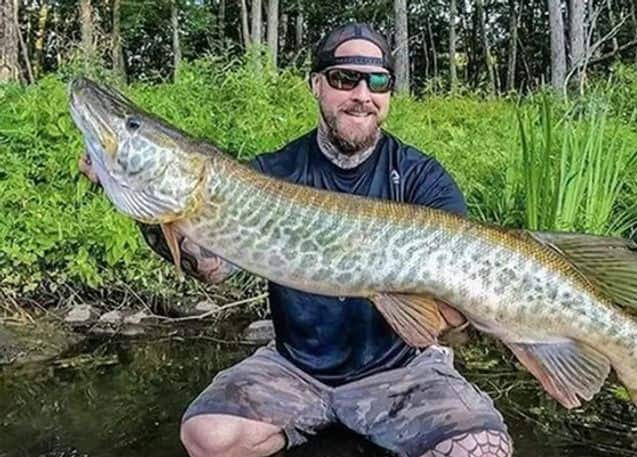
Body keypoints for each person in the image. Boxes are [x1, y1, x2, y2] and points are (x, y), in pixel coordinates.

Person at [136, 23, 512, 457]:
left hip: (402, 371)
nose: (362, 94)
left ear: (388, 93)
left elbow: (455, 318)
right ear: (316, 85)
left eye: (378, 81)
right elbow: (211, 267)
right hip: (297, 371)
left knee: (481, 451)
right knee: (209, 437)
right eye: (343, 79)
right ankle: (315, 425)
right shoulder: (271, 173)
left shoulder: (419, 177)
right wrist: (151, 214)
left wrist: (456, 323)